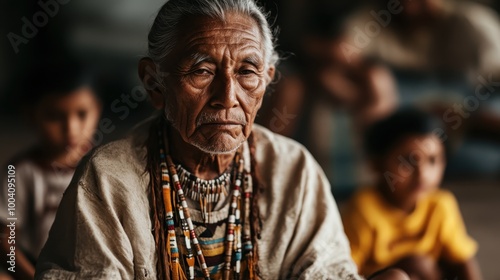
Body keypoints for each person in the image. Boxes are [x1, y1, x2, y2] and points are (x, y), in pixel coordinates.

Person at [34, 1, 409, 279]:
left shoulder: (294, 169)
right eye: (201, 70)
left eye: (247, 72)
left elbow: (327, 270)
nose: (227, 96)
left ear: (266, 81)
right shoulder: (109, 177)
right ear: (154, 83)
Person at [342, 108, 483, 279]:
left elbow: (463, 260)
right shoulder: (364, 208)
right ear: (377, 164)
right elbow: (346, 269)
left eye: (432, 160)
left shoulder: (440, 204)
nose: (422, 174)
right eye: (408, 161)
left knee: (422, 265)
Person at [0, 59, 101, 280]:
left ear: (97, 110)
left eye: (82, 114)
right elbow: (7, 239)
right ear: (31, 116)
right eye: (54, 117)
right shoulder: (17, 172)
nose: (71, 128)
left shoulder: (103, 166)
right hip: (34, 269)